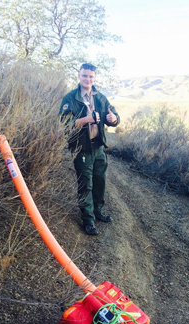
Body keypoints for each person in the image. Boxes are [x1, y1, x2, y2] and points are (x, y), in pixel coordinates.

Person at [59, 63, 120, 235]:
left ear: (94, 78)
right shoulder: (70, 98)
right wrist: (86, 119)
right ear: (79, 76)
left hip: (98, 147)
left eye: (91, 77)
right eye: (85, 76)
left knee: (100, 181)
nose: (88, 79)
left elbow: (114, 116)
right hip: (81, 148)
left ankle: (98, 211)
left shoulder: (100, 97)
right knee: (86, 184)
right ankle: (88, 220)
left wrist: (113, 118)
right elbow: (65, 124)